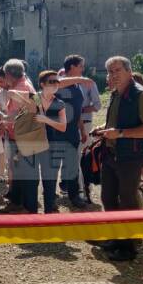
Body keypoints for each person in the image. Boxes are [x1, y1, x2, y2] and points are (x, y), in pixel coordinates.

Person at [92, 56, 143, 261]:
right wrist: (103, 129)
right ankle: (116, 238)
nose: (113, 75)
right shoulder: (115, 95)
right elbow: (117, 121)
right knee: (108, 198)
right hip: (111, 154)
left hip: (130, 156)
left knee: (128, 200)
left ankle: (128, 246)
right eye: (110, 72)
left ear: (129, 71)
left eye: (117, 70)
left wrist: (119, 133)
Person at [5, 71, 68, 213]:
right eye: (51, 81)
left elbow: (63, 127)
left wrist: (46, 120)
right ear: (42, 84)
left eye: (57, 81)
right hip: (33, 143)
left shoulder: (59, 103)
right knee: (31, 181)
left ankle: (49, 212)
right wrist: (28, 102)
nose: (55, 84)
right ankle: (32, 213)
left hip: (52, 146)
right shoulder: (36, 98)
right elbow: (11, 93)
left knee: (50, 181)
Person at [0, 59, 37, 212]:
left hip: (24, 138)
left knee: (26, 174)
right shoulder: (24, 84)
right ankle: (17, 202)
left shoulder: (21, 88)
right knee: (19, 172)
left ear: (8, 74)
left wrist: (2, 118)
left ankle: (30, 208)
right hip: (20, 137)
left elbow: (20, 116)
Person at [54, 56, 89, 208]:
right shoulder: (58, 81)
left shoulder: (77, 86)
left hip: (73, 132)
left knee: (72, 165)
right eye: (81, 66)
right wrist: (81, 80)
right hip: (57, 132)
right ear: (72, 67)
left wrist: (82, 129)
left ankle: (74, 196)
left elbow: (78, 111)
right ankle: (50, 197)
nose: (83, 69)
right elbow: (54, 86)